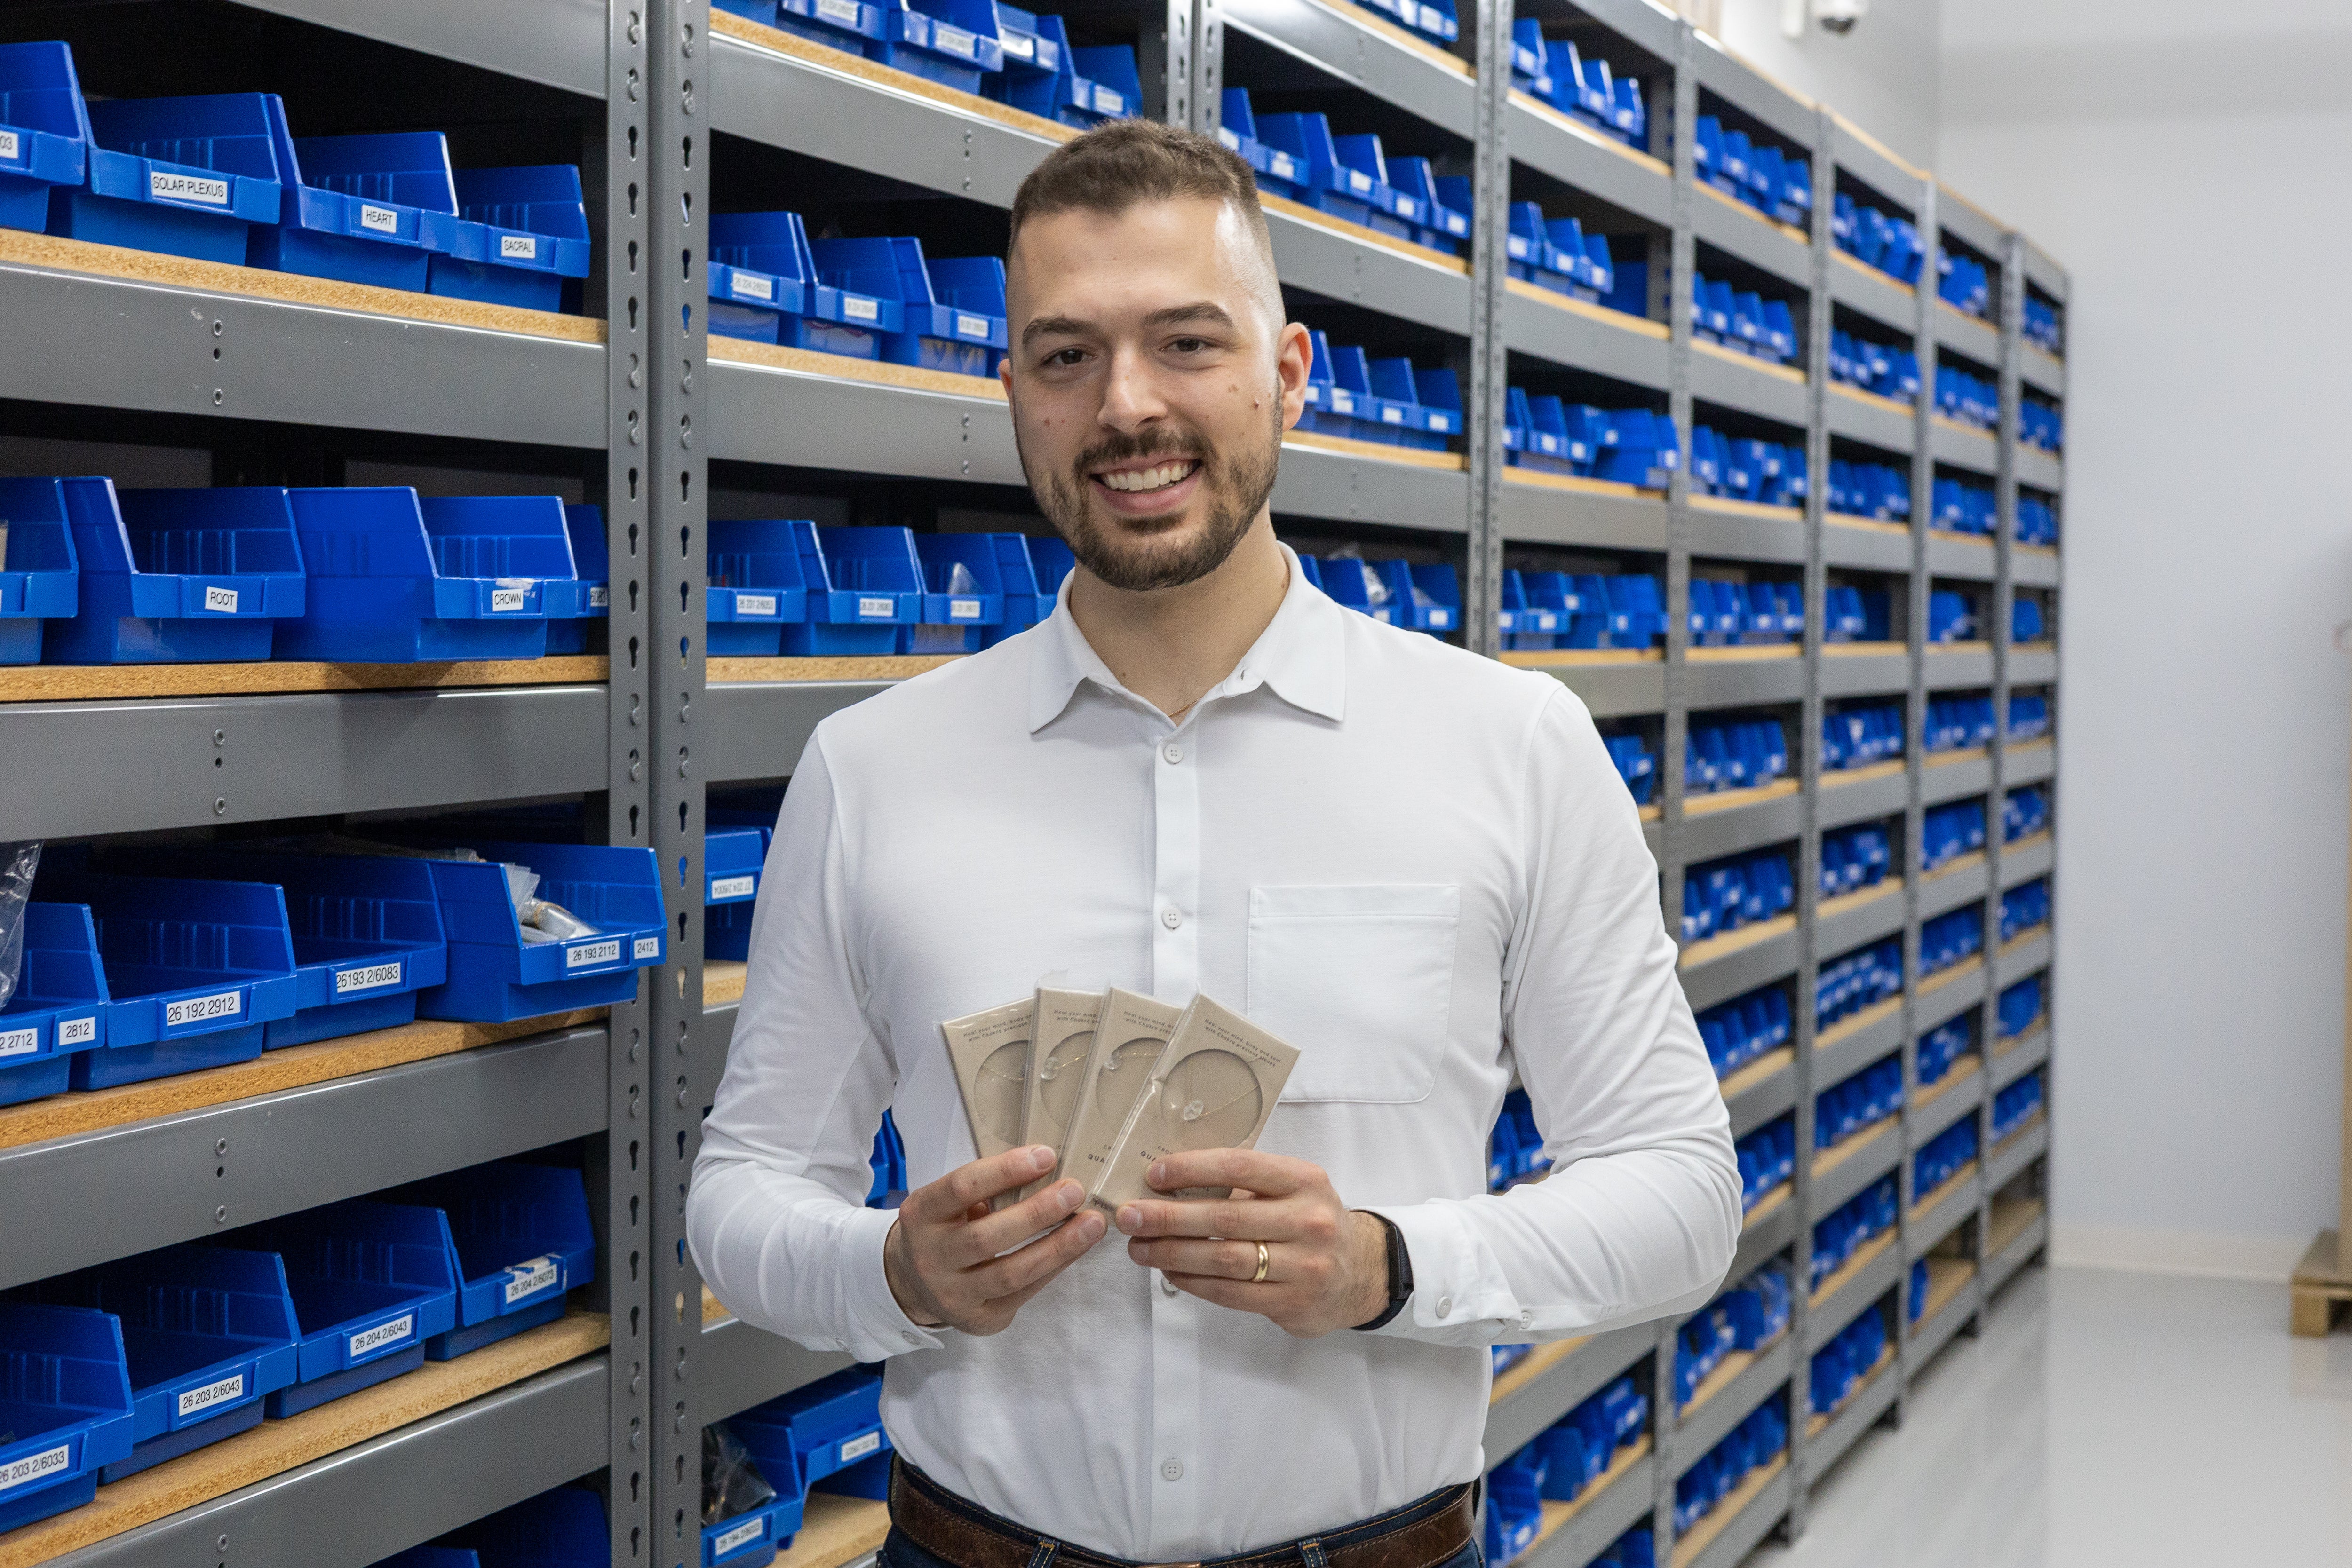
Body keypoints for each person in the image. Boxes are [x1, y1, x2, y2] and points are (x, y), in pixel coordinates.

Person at [687, 120, 1740, 1568]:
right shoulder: (878, 768)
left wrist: (1393, 1265)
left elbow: (1682, 1194)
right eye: (1065, 357)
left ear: (1289, 373)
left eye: (1188, 343)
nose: (1128, 406)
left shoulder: (1513, 746)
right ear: (1012, 392)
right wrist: (895, 1269)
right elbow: (738, 1201)